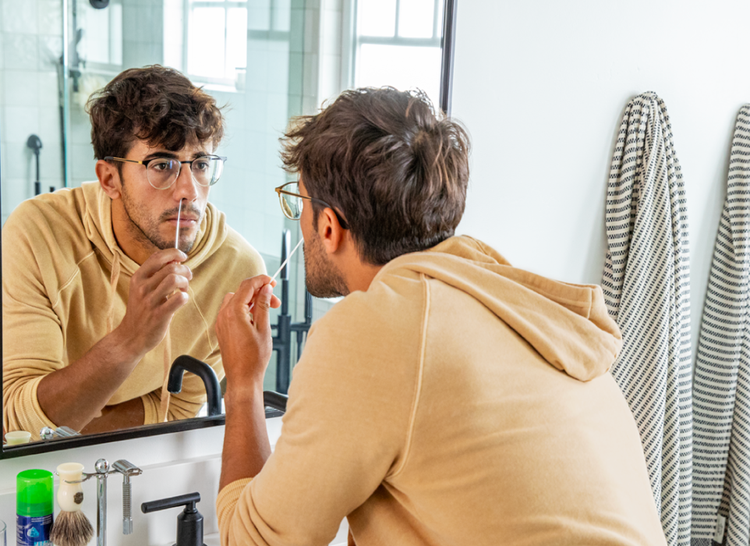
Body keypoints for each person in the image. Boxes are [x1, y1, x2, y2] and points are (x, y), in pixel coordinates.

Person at [214, 87, 667, 545]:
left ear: (328, 226)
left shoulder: (377, 330)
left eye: (301, 203)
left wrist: (244, 382)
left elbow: (255, 542)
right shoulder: (506, 299)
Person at [2, 65, 265, 437]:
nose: (189, 190)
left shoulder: (234, 267)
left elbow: (178, 410)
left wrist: (68, 418)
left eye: (201, 164)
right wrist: (131, 339)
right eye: (162, 165)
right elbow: (17, 425)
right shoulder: (39, 233)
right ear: (109, 179)